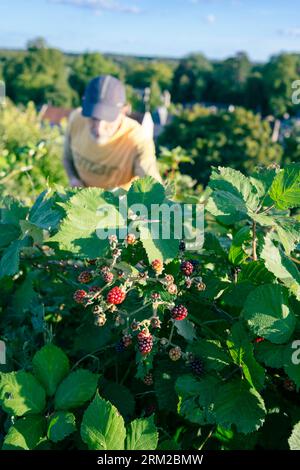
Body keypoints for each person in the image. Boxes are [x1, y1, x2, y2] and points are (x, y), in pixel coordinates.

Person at [63, 75, 162, 190]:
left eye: (108, 119)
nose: (99, 128)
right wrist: (73, 179)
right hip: (82, 202)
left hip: (119, 205)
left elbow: (152, 184)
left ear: (124, 111)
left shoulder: (138, 139)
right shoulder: (76, 120)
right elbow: (67, 158)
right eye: (93, 118)